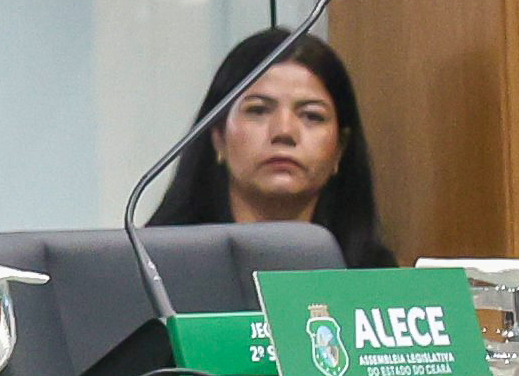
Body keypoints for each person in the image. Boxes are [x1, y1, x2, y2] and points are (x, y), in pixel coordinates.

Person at [152, 28, 401, 264]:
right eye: (258, 110)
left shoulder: (379, 284)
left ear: (340, 148)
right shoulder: (155, 269)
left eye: (311, 116)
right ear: (219, 137)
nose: (284, 132)